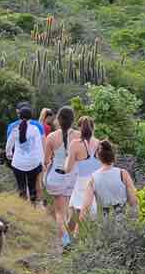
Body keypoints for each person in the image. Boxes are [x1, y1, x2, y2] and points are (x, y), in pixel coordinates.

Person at [43, 106, 80, 249]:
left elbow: (46, 160)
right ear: (72, 120)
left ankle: (65, 241)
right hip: (74, 177)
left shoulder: (51, 137)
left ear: (58, 119)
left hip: (56, 177)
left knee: (60, 213)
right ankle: (70, 236)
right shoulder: (79, 136)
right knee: (72, 209)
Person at [79, 140, 139, 216]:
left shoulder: (93, 178)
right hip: (123, 219)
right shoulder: (123, 174)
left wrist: (80, 222)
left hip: (105, 220)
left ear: (98, 157)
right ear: (113, 155)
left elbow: (86, 207)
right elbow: (133, 201)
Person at [65, 116, 102, 233]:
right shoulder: (100, 144)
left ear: (79, 129)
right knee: (93, 217)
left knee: (73, 215)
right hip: (97, 182)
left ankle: (67, 239)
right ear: (93, 128)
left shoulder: (75, 144)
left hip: (81, 183)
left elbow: (68, 168)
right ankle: (86, 239)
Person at [5, 107, 44, 202]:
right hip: (33, 164)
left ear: (19, 116)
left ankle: (22, 205)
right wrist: (41, 161)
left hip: (18, 163)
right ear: (31, 117)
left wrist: (9, 155)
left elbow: (8, 146)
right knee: (32, 187)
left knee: (21, 188)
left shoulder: (15, 129)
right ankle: (33, 205)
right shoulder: (35, 129)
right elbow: (39, 147)